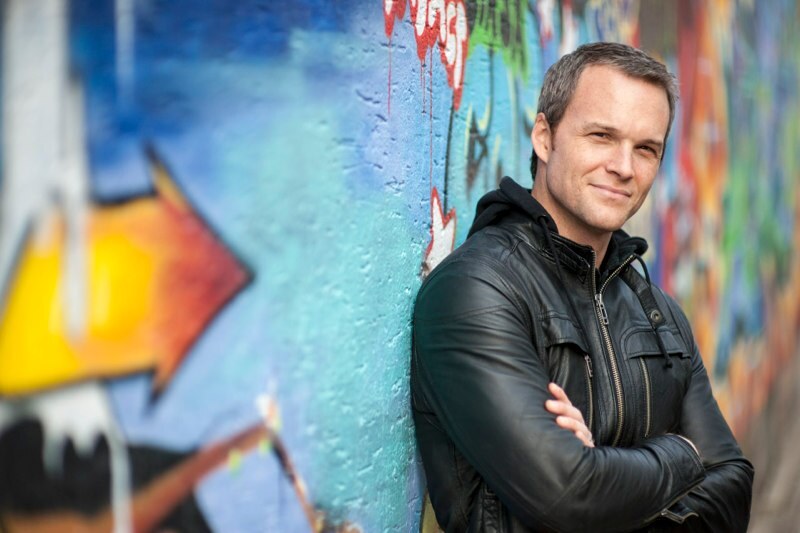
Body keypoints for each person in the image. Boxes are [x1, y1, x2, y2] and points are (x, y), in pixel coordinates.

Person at [411, 42, 754, 532]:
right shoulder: (478, 290)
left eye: (646, 149)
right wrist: (683, 453)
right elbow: (569, 495)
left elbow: (734, 485)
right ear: (544, 137)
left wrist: (605, 470)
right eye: (601, 136)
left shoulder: (657, 312)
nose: (624, 167)